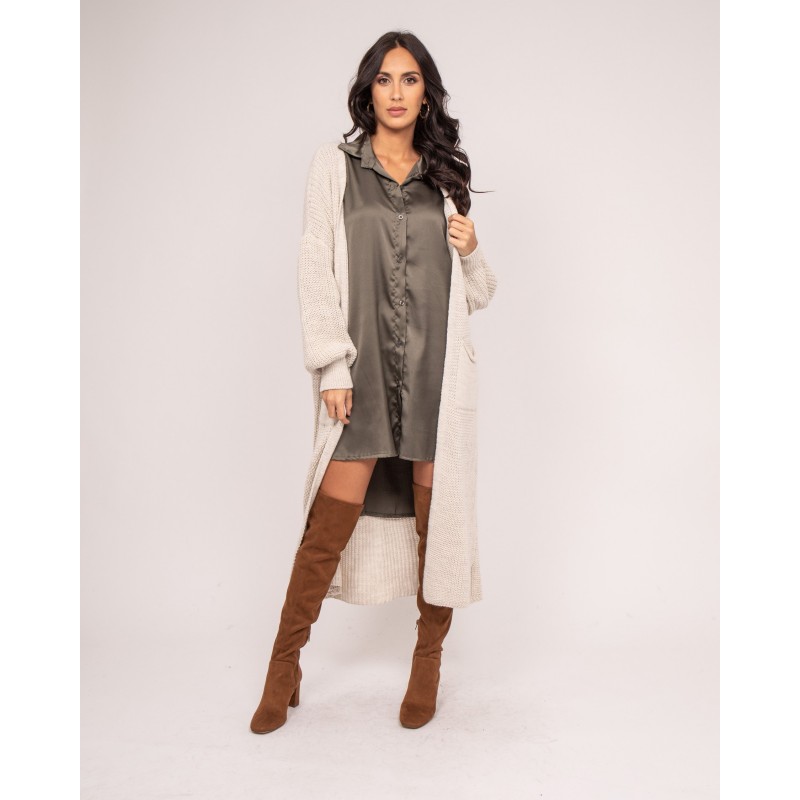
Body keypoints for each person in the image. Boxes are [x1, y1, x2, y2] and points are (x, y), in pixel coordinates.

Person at [250, 30, 497, 734]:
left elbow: (479, 292)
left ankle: (427, 663)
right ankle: (284, 667)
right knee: (325, 529)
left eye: (409, 79)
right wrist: (331, 364)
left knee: (435, 527)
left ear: (427, 95)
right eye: (384, 79)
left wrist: (473, 251)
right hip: (359, 379)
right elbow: (313, 264)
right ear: (368, 90)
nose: (396, 92)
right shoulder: (335, 166)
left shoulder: (443, 180)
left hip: (435, 380)